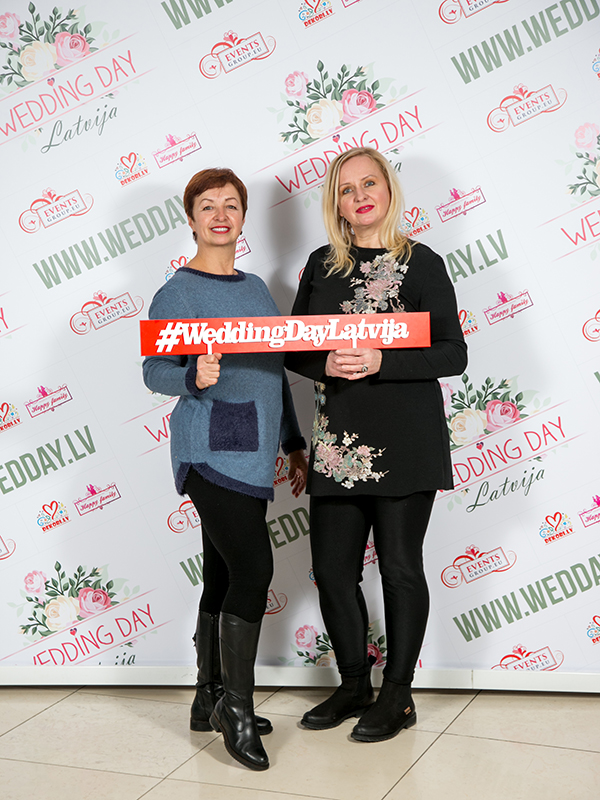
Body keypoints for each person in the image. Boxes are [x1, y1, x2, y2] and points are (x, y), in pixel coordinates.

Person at [285, 147, 467, 742]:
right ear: (335, 203)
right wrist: (325, 364)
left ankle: (398, 695)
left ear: (388, 190)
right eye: (346, 189)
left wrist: (383, 361)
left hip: (406, 441)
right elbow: (295, 347)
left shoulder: (423, 262)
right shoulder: (320, 265)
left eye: (369, 183)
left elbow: (453, 353)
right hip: (338, 444)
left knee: (399, 569)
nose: (359, 196)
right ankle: (354, 684)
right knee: (332, 571)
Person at [143, 168, 307, 770]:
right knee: (254, 567)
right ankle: (236, 710)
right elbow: (154, 371)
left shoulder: (257, 288)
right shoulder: (177, 293)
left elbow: (271, 370)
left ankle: (207, 696)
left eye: (230, 205)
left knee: (221, 573)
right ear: (191, 219)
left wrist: (293, 442)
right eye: (207, 206)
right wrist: (193, 375)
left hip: (257, 447)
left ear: (242, 217)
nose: (220, 215)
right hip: (209, 449)